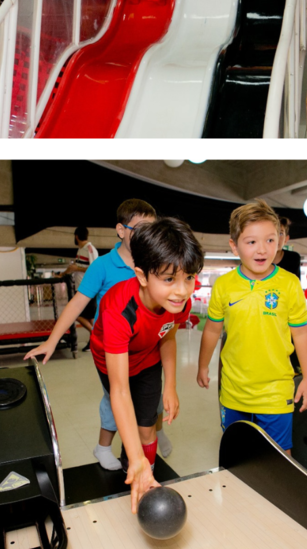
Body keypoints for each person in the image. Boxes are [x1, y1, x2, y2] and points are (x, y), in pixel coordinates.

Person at [25, 199, 168, 470]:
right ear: (121, 230)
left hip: (145, 347)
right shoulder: (103, 265)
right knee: (117, 397)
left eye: (152, 228)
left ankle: (147, 440)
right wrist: (52, 340)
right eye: (139, 228)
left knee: (150, 399)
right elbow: (77, 304)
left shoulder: (153, 263)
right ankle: (105, 447)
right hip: (112, 348)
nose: (146, 234)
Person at [91, 217, 198, 512]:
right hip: (113, 360)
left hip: (149, 356)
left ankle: (145, 475)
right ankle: (135, 463)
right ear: (141, 276)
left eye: (189, 277)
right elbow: (120, 390)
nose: (181, 290)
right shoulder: (118, 308)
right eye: (169, 279)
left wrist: (172, 387)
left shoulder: (179, 302)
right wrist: (134, 456)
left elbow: (168, 337)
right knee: (126, 415)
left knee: (147, 427)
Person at [197, 201, 307, 454]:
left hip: (276, 390)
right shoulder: (224, 285)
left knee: (280, 456)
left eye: (270, 240)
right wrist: (203, 365)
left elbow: (302, 333)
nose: (262, 250)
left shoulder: (289, 284)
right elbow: (212, 330)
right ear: (234, 245)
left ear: (280, 241)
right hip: (233, 389)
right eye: (251, 242)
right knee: (238, 451)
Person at [63, 227, 99, 351]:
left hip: (88, 288)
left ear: (76, 236)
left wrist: (76, 269)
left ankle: (97, 336)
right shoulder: (80, 250)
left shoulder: (90, 249)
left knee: (76, 315)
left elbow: (94, 269)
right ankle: (93, 342)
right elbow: (76, 268)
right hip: (82, 288)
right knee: (90, 318)